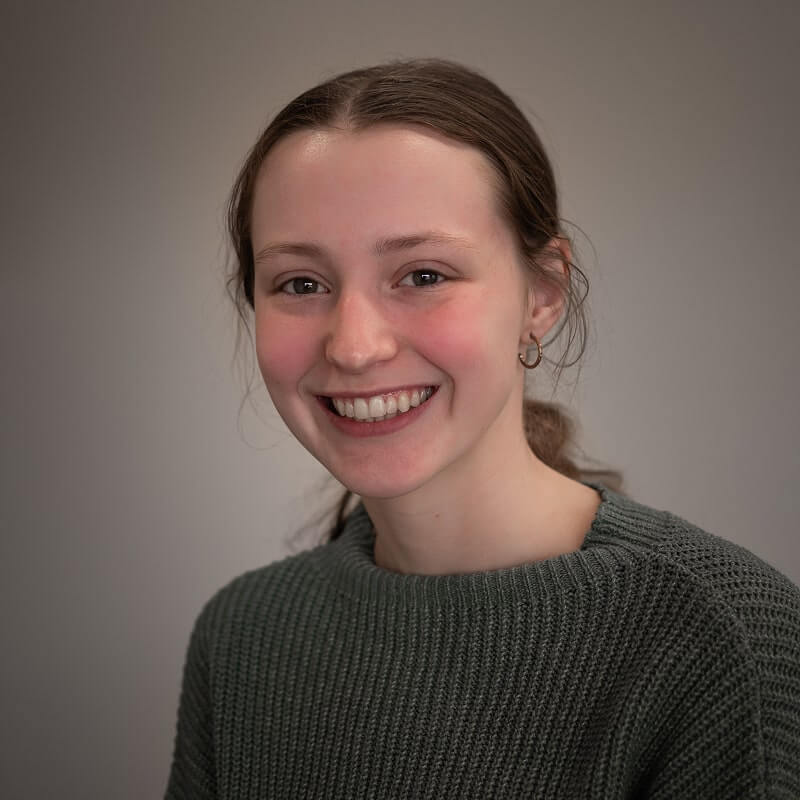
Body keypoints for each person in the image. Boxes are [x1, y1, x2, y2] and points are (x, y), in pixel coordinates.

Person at [165, 59, 800, 799]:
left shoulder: (723, 640)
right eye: (301, 284)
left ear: (542, 294)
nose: (354, 345)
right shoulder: (243, 635)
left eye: (424, 275)